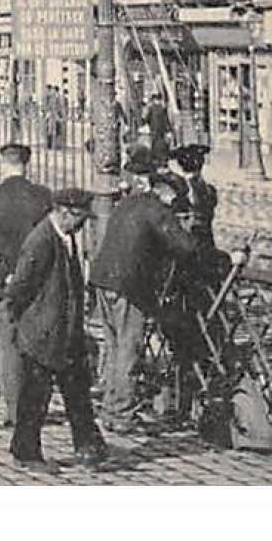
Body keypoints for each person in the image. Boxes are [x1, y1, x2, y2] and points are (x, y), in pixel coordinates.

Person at [89, 149, 202, 434]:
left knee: (114, 346)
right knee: (130, 347)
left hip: (104, 280)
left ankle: (110, 405)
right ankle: (121, 412)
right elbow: (185, 247)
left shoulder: (129, 203)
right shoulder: (157, 210)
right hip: (128, 286)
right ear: (165, 191)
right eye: (174, 199)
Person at [4, 186, 109, 471]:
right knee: (35, 397)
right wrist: (24, 325)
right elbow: (19, 288)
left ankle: (88, 448)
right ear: (64, 213)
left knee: (77, 391)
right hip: (43, 333)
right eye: (80, 219)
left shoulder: (67, 236)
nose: (83, 225)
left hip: (66, 331)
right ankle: (26, 453)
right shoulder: (41, 240)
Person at [0, 142, 53, 428]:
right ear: (26, 164)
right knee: (37, 343)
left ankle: (15, 410)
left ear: (1, 163)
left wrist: (2, 271)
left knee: (10, 347)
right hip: (36, 282)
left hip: (2, 283)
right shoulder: (42, 196)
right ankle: (36, 404)